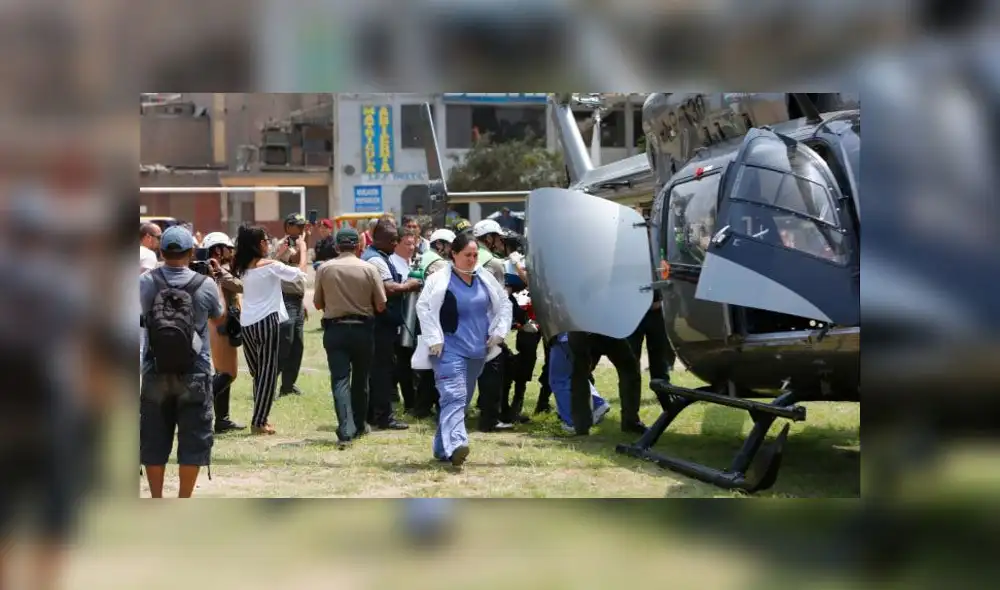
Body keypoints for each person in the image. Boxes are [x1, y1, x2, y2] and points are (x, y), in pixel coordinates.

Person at [139, 225, 225, 497]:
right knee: (194, 438)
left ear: (161, 252)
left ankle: (156, 499)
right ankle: (183, 499)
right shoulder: (204, 284)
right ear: (191, 253)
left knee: (154, 437)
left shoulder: (145, 282)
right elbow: (219, 317)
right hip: (195, 370)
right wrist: (216, 281)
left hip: (155, 368)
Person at [414, 232, 512, 466]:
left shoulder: (484, 278)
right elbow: (423, 307)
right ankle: (457, 443)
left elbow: (504, 304)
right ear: (454, 254)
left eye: (475, 255)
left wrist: (499, 332)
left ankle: (442, 448)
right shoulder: (439, 279)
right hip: (447, 348)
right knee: (454, 396)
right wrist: (433, 338)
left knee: (461, 400)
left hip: (478, 350)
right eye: (467, 255)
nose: (472, 259)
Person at [231, 225, 307, 435]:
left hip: (247, 323)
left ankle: (260, 417)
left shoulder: (242, 265)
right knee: (267, 373)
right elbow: (300, 274)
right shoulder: (271, 266)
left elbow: (264, 268)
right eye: (265, 240)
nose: (268, 243)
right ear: (258, 244)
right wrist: (302, 248)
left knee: (258, 374)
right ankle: (259, 421)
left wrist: (278, 256)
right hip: (267, 321)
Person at [313, 227, 387, 444]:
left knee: (340, 379)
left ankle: (346, 428)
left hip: (335, 330)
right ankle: (360, 424)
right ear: (358, 246)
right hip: (363, 330)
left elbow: (317, 303)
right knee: (361, 380)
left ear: (337, 246)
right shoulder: (369, 268)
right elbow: (381, 305)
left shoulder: (325, 268)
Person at [362, 216, 421, 430]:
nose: (396, 244)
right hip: (380, 324)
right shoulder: (376, 260)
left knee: (378, 370)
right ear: (381, 240)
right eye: (393, 240)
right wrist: (410, 285)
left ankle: (373, 414)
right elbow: (388, 288)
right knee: (382, 371)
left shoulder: (378, 256)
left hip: (380, 322)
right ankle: (383, 417)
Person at [202, 231, 246, 433]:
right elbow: (240, 286)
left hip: (221, 324)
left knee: (223, 372)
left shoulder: (212, 270)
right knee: (228, 373)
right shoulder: (217, 272)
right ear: (218, 250)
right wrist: (222, 272)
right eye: (227, 248)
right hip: (222, 324)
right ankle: (197, 407)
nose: (231, 251)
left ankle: (222, 419)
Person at [470, 219, 511, 431]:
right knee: (492, 372)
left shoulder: (467, 258)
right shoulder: (494, 264)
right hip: (489, 324)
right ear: (489, 238)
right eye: (497, 238)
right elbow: (501, 299)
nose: (499, 242)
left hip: (469, 323)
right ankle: (490, 419)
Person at [410, 228, 455, 419]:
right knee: (434, 365)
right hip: (434, 319)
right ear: (439, 244)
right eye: (450, 245)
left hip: (423, 318)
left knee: (428, 365)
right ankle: (427, 406)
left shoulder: (424, 257)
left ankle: (423, 406)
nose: (452, 250)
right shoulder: (438, 263)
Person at [275, 213, 310, 397]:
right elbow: (296, 262)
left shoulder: (298, 243)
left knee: (297, 345)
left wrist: (302, 301)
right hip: (285, 299)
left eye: (303, 226)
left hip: (296, 299)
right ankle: (269, 382)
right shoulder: (284, 244)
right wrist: (303, 247)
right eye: (299, 226)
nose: (302, 229)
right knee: (285, 343)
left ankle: (288, 385)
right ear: (288, 227)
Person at [548, 333, 611, 433]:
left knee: (560, 380)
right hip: (579, 336)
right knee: (575, 375)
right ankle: (597, 403)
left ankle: (572, 421)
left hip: (563, 336)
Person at [390, 228, 419, 412]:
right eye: (407, 244)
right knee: (403, 362)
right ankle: (409, 402)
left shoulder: (414, 263)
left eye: (413, 244)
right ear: (397, 244)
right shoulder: (392, 263)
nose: (411, 247)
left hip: (414, 319)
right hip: (400, 320)